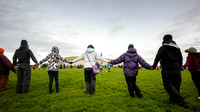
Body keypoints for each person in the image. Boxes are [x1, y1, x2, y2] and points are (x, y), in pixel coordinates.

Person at [152, 34, 189, 108]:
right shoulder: (177, 48)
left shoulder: (163, 48)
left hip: (167, 68)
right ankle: (173, 100)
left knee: (167, 85)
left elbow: (157, 57)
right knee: (176, 84)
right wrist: (180, 66)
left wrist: (154, 66)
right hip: (177, 68)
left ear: (164, 40)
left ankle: (182, 101)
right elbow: (181, 58)